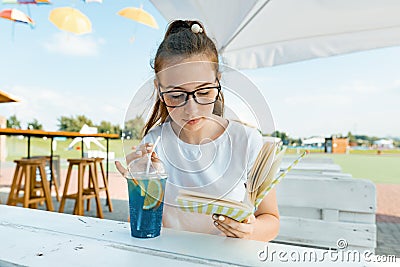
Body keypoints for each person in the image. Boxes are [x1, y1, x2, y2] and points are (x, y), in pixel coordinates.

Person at [116, 20, 279, 242]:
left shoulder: (247, 141)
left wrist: (250, 231)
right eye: (175, 95)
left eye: (204, 92)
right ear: (159, 88)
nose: (191, 110)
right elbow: (142, 227)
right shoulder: (154, 144)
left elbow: (270, 219)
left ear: (217, 81)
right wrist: (141, 186)